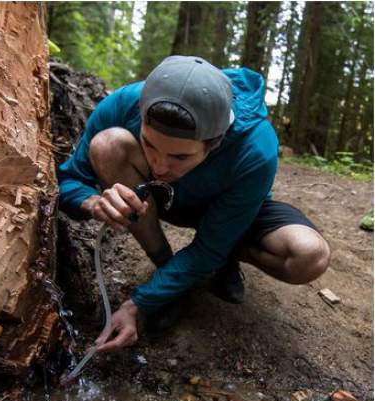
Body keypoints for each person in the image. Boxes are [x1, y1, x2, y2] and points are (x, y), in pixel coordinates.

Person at [57, 56, 331, 352]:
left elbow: (208, 249)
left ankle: (227, 254)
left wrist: (138, 304)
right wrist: (93, 202)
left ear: (215, 141)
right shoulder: (125, 102)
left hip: (228, 212)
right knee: (107, 144)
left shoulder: (256, 146)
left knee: (309, 256)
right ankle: (166, 266)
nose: (159, 166)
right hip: (161, 199)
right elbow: (69, 178)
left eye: (180, 157)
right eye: (149, 144)